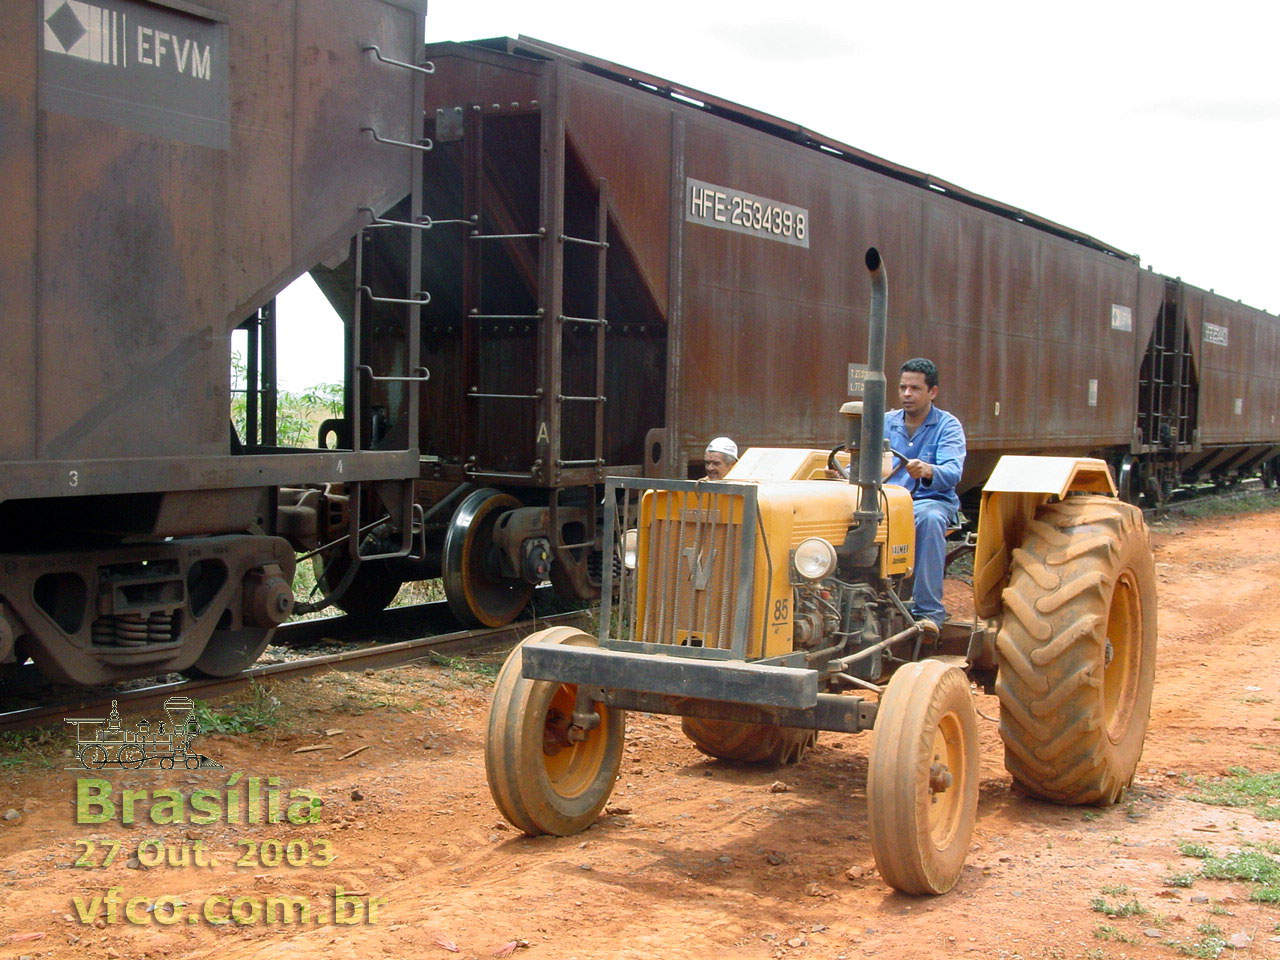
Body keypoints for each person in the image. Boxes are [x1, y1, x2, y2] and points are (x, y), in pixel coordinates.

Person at [883, 358, 966, 628]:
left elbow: (953, 472)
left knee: (929, 520)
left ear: (933, 392)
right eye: (903, 387)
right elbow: (860, 458)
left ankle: (928, 612)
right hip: (886, 500)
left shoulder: (947, 426)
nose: (907, 394)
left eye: (915, 388)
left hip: (928, 501)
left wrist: (929, 470)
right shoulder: (885, 422)